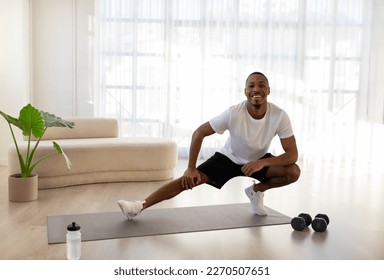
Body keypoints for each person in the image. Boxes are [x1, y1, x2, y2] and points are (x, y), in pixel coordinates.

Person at [118, 71, 300, 219]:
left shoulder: (279, 116)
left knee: (293, 172)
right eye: (251, 85)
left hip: (258, 161)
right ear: (245, 91)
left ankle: (256, 191)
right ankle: (138, 206)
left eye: (261, 85)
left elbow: (292, 155)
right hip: (228, 158)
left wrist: (262, 163)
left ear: (269, 90)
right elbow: (199, 133)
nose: (256, 89)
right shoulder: (233, 114)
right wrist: (190, 168)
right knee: (187, 181)